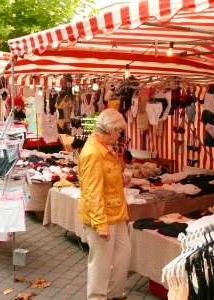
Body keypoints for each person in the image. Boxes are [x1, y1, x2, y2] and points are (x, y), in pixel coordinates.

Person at [77, 108, 131, 300]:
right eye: (119, 131)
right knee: (100, 261)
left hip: (115, 211)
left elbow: (104, 181)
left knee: (123, 253)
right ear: (110, 129)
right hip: (101, 216)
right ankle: (97, 297)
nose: (120, 135)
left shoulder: (104, 148)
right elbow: (92, 192)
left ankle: (114, 293)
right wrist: (100, 224)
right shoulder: (93, 153)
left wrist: (120, 178)